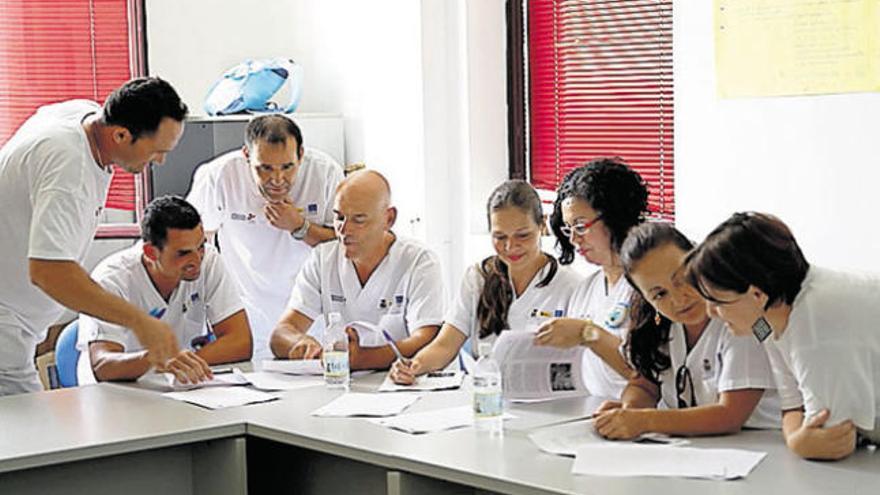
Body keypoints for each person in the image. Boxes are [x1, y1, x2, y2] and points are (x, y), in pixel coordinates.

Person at [0, 77, 188, 396]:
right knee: (32, 438)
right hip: (5, 325)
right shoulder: (69, 172)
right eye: (157, 150)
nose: (161, 161)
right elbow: (49, 272)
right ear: (120, 134)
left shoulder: (85, 116)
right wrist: (140, 322)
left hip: (16, 323)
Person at [684, 212, 880, 460]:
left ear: (756, 294)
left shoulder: (815, 326)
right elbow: (791, 405)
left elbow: (834, 438)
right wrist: (797, 440)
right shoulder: (768, 322)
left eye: (716, 301)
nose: (711, 313)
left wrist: (802, 441)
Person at [593, 222, 779, 440]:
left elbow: (730, 416)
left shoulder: (742, 316)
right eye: (659, 294)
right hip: (699, 453)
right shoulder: (659, 327)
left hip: (768, 449)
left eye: (681, 280)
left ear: (698, 260)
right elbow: (644, 385)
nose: (678, 300)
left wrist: (645, 420)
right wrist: (629, 410)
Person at [389, 180, 580, 384]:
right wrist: (413, 366)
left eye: (522, 235)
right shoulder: (477, 278)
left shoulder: (571, 286)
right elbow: (445, 345)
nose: (510, 246)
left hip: (548, 404)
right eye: (500, 237)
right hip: (487, 398)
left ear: (542, 225)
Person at [187, 114, 343, 360]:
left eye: (287, 167)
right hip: (247, 310)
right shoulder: (219, 175)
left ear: (301, 154)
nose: (277, 179)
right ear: (246, 155)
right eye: (265, 168)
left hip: (310, 314)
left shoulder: (325, 173)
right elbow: (195, 241)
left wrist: (300, 227)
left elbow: (345, 245)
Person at [270, 170, 444, 370]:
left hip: (406, 384)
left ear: (389, 218)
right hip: (345, 385)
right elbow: (281, 333)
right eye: (339, 218)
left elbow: (427, 339)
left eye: (358, 220)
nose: (344, 230)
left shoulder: (419, 262)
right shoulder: (323, 259)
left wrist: (364, 359)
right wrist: (300, 344)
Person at [80, 196, 252, 384]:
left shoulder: (209, 260)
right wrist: (154, 360)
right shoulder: (111, 279)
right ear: (151, 252)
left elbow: (241, 341)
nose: (197, 260)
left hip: (175, 388)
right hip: (113, 395)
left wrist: (184, 363)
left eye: (201, 246)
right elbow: (103, 366)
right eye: (183, 253)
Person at [533, 158, 647, 398]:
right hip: (589, 412)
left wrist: (588, 334)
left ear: (615, 216)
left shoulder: (649, 286)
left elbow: (649, 379)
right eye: (568, 229)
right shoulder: (587, 289)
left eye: (581, 226)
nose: (574, 239)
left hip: (641, 417)